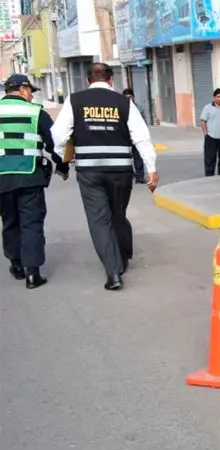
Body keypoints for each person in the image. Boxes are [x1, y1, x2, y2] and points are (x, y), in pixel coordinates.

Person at [52, 63, 159, 291]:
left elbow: (58, 134)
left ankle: (113, 273)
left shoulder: (75, 100)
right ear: (111, 80)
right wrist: (151, 169)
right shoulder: (124, 103)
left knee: (100, 220)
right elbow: (142, 137)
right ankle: (123, 254)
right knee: (117, 212)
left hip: (90, 172)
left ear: (88, 80)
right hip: (120, 171)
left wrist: (64, 156)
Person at [0, 74, 70, 289]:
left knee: (9, 221)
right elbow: (54, 144)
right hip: (30, 177)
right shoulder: (36, 112)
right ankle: (33, 274)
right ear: (22, 89)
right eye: (30, 90)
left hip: (2, 178)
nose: (31, 95)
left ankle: (16, 265)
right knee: (31, 223)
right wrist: (63, 165)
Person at [200, 88, 220, 177]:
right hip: (211, 137)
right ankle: (209, 176)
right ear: (214, 97)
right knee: (210, 159)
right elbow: (203, 121)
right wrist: (205, 134)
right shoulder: (208, 108)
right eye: (218, 97)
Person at [123, 88, 146, 184]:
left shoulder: (139, 108)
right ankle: (129, 174)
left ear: (133, 97)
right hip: (125, 137)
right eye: (126, 97)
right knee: (125, 159)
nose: (129, 99)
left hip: (136, 137)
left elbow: (144, 122)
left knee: (138, 158)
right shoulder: (120, 109)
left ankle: (140, 177)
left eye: (130, 97)